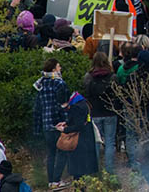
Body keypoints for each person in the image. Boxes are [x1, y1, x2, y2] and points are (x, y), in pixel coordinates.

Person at [32, 58, 68, 187]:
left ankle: (51, 181)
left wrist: (36, 128)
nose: (60, 69)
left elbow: (37, 108)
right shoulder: (59, 83)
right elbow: (63, 104)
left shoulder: (40, 84)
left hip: (46, 123)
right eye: (59, 67)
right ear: (53, 69)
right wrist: (67, 121)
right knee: (62, 152)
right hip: (59, 123)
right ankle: (57, 180)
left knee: (51, 153)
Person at [83, 52, 117, 174]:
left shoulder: (88, 77)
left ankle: (94, 169)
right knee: (110, 142)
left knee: (96, 142)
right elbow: (116, 94)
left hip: (94, 112)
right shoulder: (112, 77)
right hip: (110, 112)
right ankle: (109, 170)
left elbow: (86, 93)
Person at [54, 91, 99, 182]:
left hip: (79, 142)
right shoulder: (82, 102)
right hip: (87, 138)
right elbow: (81, 120)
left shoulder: (76, 107)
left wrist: (64, 130)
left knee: (78, 172)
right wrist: (66, 123)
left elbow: (78, 126)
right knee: (84, 170)